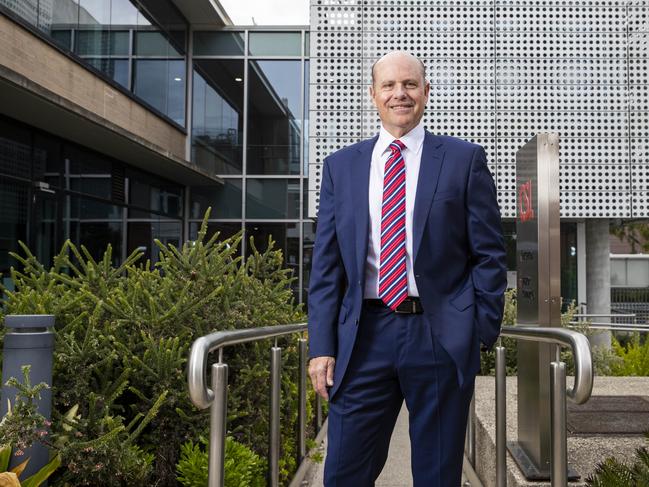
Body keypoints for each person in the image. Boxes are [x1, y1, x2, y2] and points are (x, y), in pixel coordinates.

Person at [307, 51, 507, 486]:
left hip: (438, 335)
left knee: (437, 474)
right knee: (343, 472)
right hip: (364, 337)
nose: (400, 93)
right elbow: (326, 266)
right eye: (389, 86)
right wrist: (322, 344)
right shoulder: (341, 167)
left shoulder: (463, 159)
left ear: (426, 93)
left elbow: (489, 254)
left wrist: (479, 328)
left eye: (410, 85)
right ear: (373, 96)